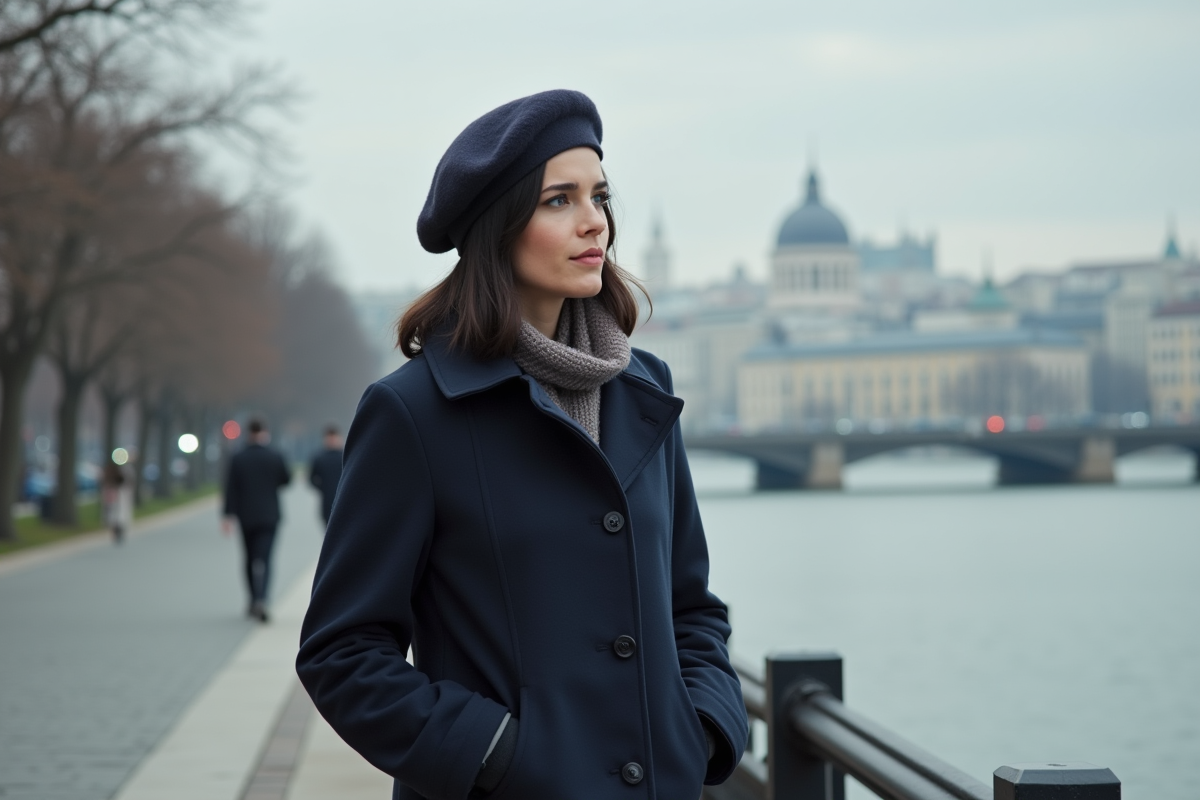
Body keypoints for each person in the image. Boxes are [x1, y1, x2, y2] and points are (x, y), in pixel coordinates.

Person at [296, 90, 748, 800]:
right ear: (498, 225)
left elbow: (690, 606)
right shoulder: (413, 413)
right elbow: (342, 652)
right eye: (558, 200)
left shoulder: (643, 391)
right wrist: (494, 754)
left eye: (599, 195)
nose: (593, 220)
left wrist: (705, 727)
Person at [222, 417, 291, 622]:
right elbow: (286, 479)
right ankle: (263, 598)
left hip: (246, 515)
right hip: (270, 515)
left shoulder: (238, 457)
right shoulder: (275, 455)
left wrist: (227, 515)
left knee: (249, 558)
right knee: (266, 559)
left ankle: (252, 598)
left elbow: (230, 488)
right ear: (265, 432)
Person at [307, 424, 344, 527]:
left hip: (344, 499)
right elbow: (312, 479)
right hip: (327, 501)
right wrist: (323, 487)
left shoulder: (345, 456)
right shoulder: (319, 457)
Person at [100, 461, 133, 544]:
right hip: (115, 497)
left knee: (117, 515)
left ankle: (118, 531)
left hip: (117, 497)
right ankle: (118, 531)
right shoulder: (119, 472)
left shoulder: (122, 471)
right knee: (116, 515)